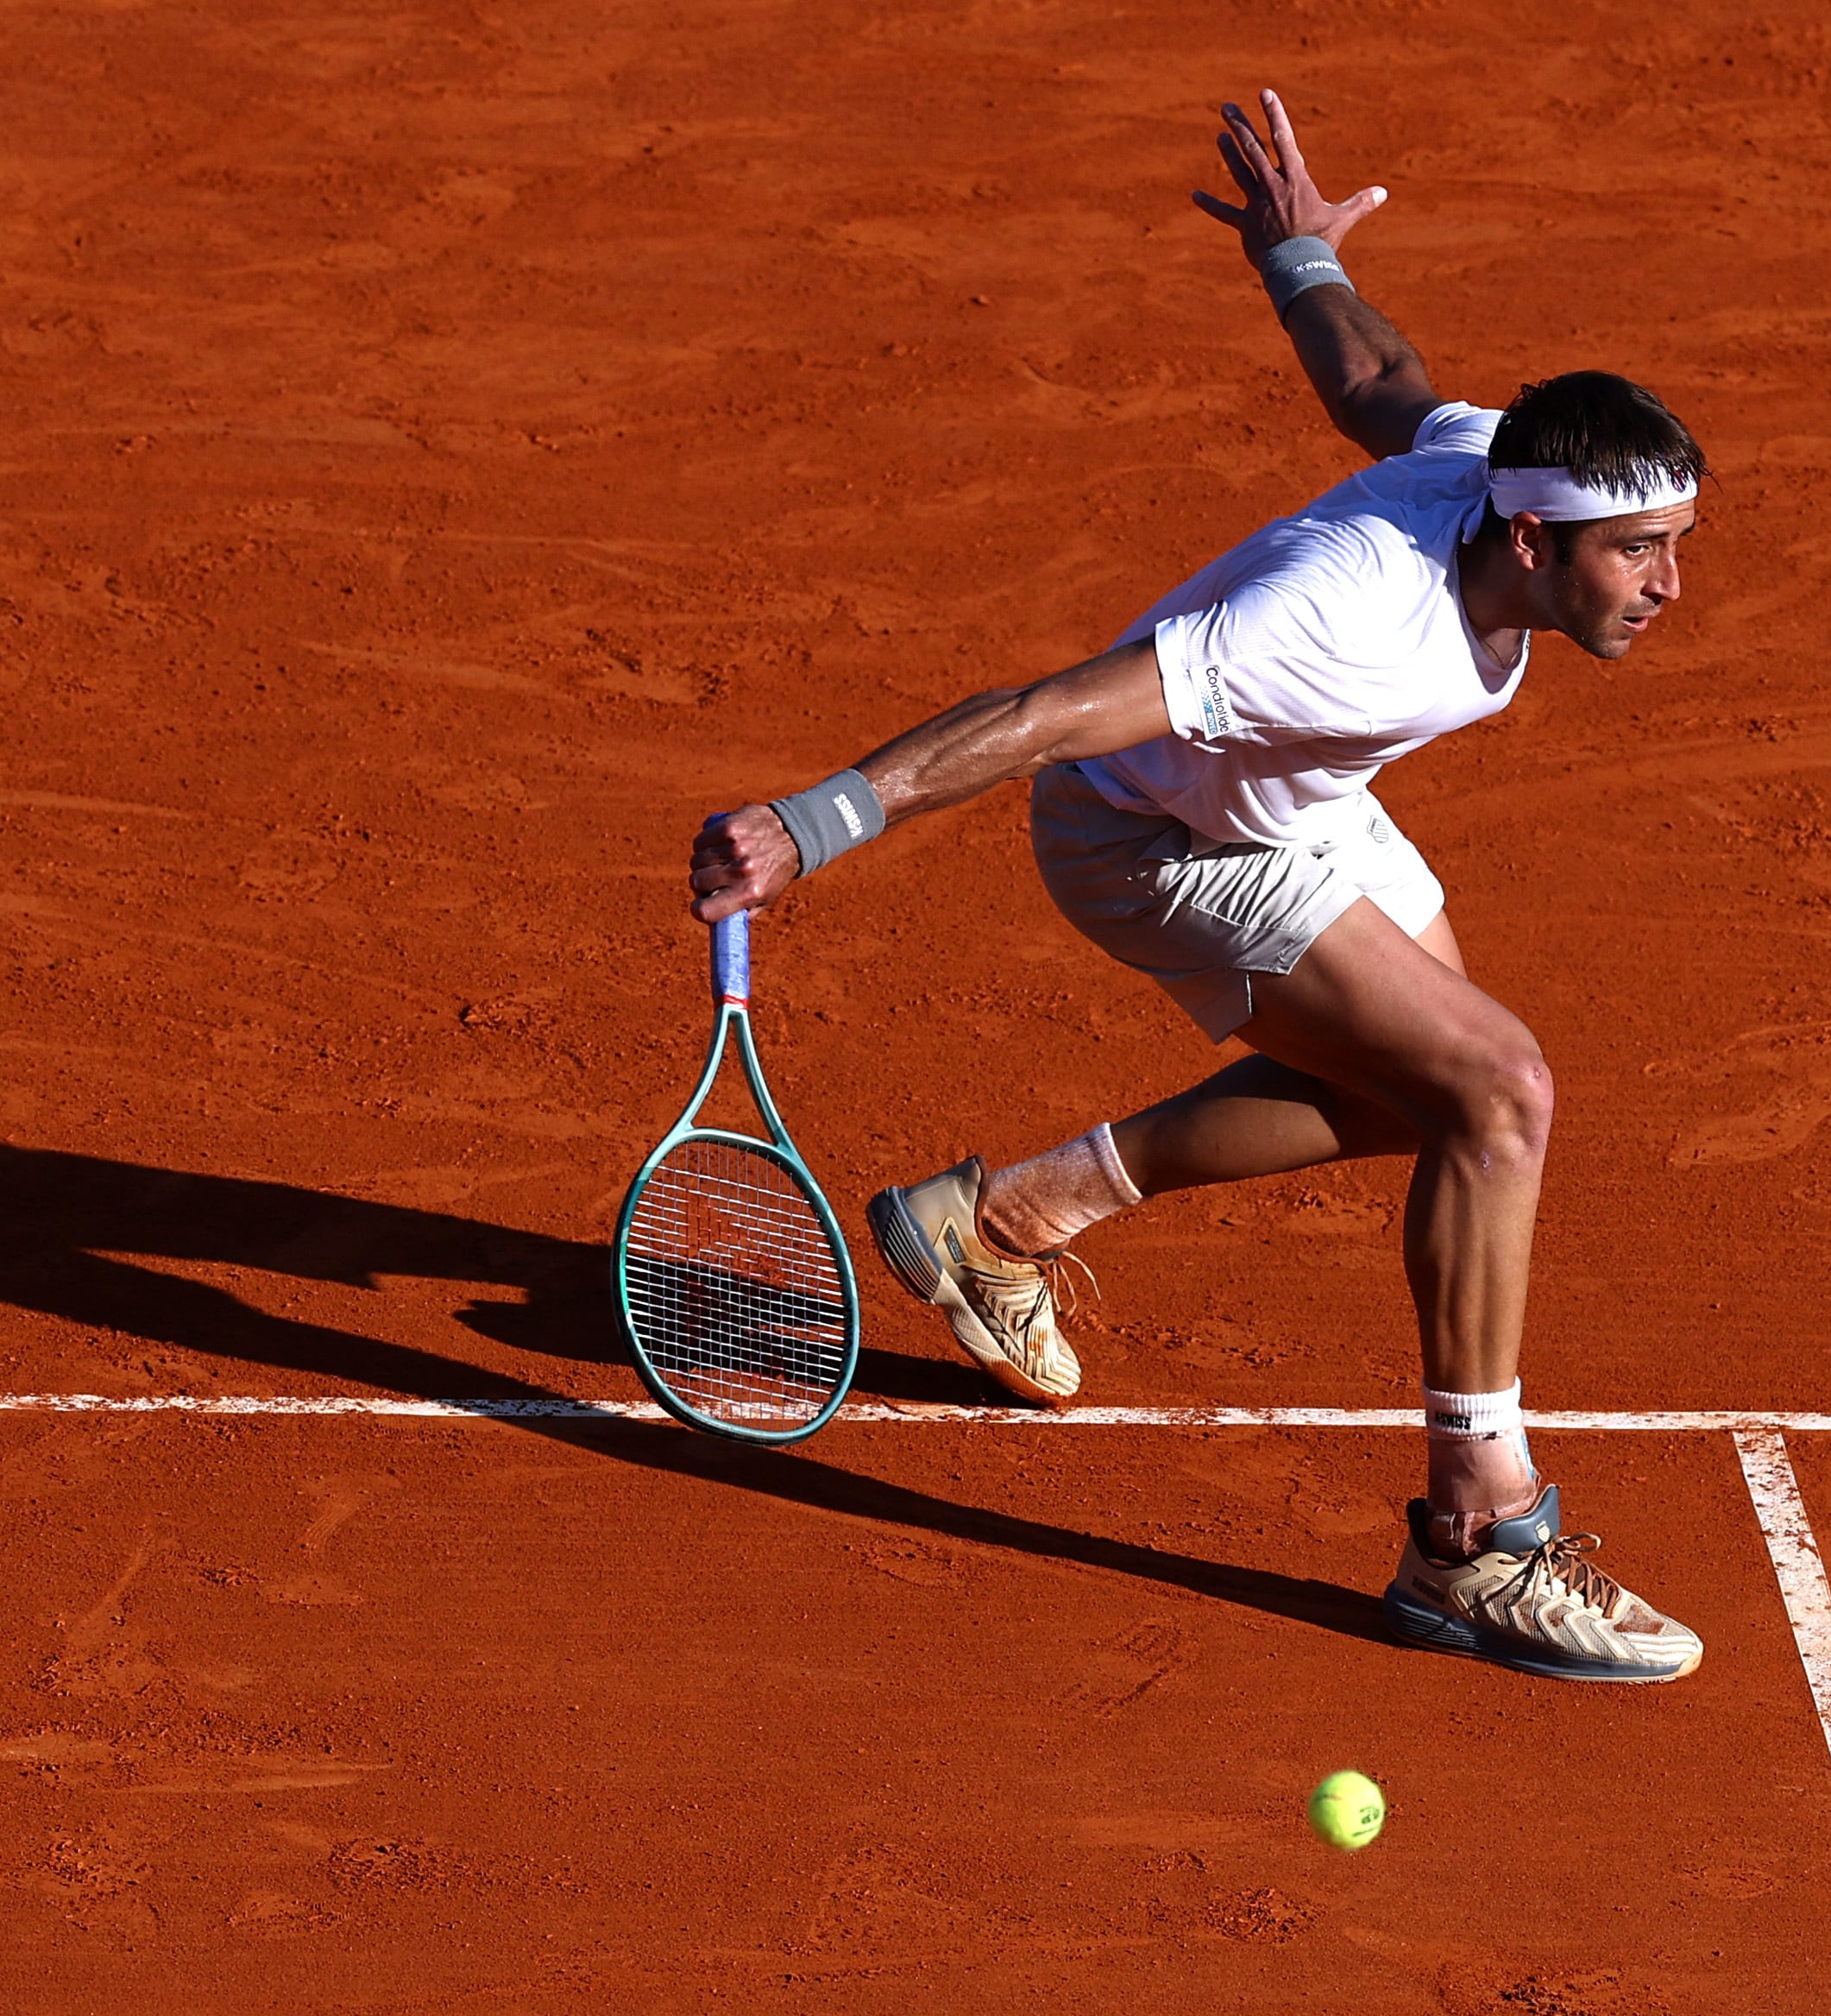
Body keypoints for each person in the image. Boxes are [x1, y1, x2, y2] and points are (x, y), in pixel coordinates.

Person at [686, 91, 1709, 1684]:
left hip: (1296, 805)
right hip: (1151, 840)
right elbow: (1053, 714)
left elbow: (1382, 382)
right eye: (1638, 552)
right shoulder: (1335, 617)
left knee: (1419, 1102)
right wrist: (815, 821)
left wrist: (1298, 248)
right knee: (1501, 1090)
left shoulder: (1482, 476)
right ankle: (1478, 1537)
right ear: (1529, 540)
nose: (1668, 586)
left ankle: (1001, 1219)